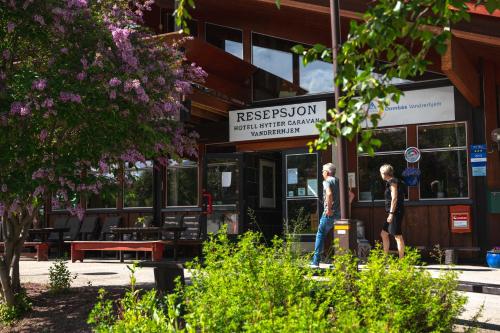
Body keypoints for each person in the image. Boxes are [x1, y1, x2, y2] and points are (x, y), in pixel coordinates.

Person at [310, 163, 340, 268]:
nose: (322, 173)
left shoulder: (326, 181)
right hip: (339, 214)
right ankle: (340, 260)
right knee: (339, 236)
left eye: (323, 171)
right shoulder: (338, 181)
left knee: (320, 234)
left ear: (327, 172)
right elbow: (348, 195)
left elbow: (329, 194)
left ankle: (315, 262)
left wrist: (329, 209)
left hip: (329, 214)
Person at [379, 164, 405, 258]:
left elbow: (394, 198)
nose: (380, 175)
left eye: (381, 173)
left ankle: (402, 261)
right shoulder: (391, 181)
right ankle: (385, 258)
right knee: (384, 233)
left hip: (395, 212)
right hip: (392, 212)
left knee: (397, 236)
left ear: (384, 174)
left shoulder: (393, 181)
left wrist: (391, 214)